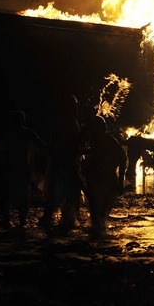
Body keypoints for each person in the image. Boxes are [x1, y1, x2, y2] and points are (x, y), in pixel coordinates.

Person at [79, 108, 127, 239]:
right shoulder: (98, 142)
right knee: (98, 211)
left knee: (98, 210)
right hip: (99, 180)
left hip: (105, 181)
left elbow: (122, 158)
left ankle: (97, 235)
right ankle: (98, 234)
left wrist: (121, 181)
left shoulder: (108, 141)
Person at [0, 110, 47, 229]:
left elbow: (1, 151)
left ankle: (9, 221)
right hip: (20, 170)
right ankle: (21, 222)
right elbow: (42, 146)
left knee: (8, 195)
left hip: (14, 169)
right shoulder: (26, 133)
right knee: (21, 196)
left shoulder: (11, 134)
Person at [40, 93, 83, 231]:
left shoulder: (60, 121)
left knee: (56, 192)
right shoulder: (69, 123)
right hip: (66, 162)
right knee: (66, 192)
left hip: (59, 162)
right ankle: (66, 220)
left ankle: (51, 218)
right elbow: (70, 145)